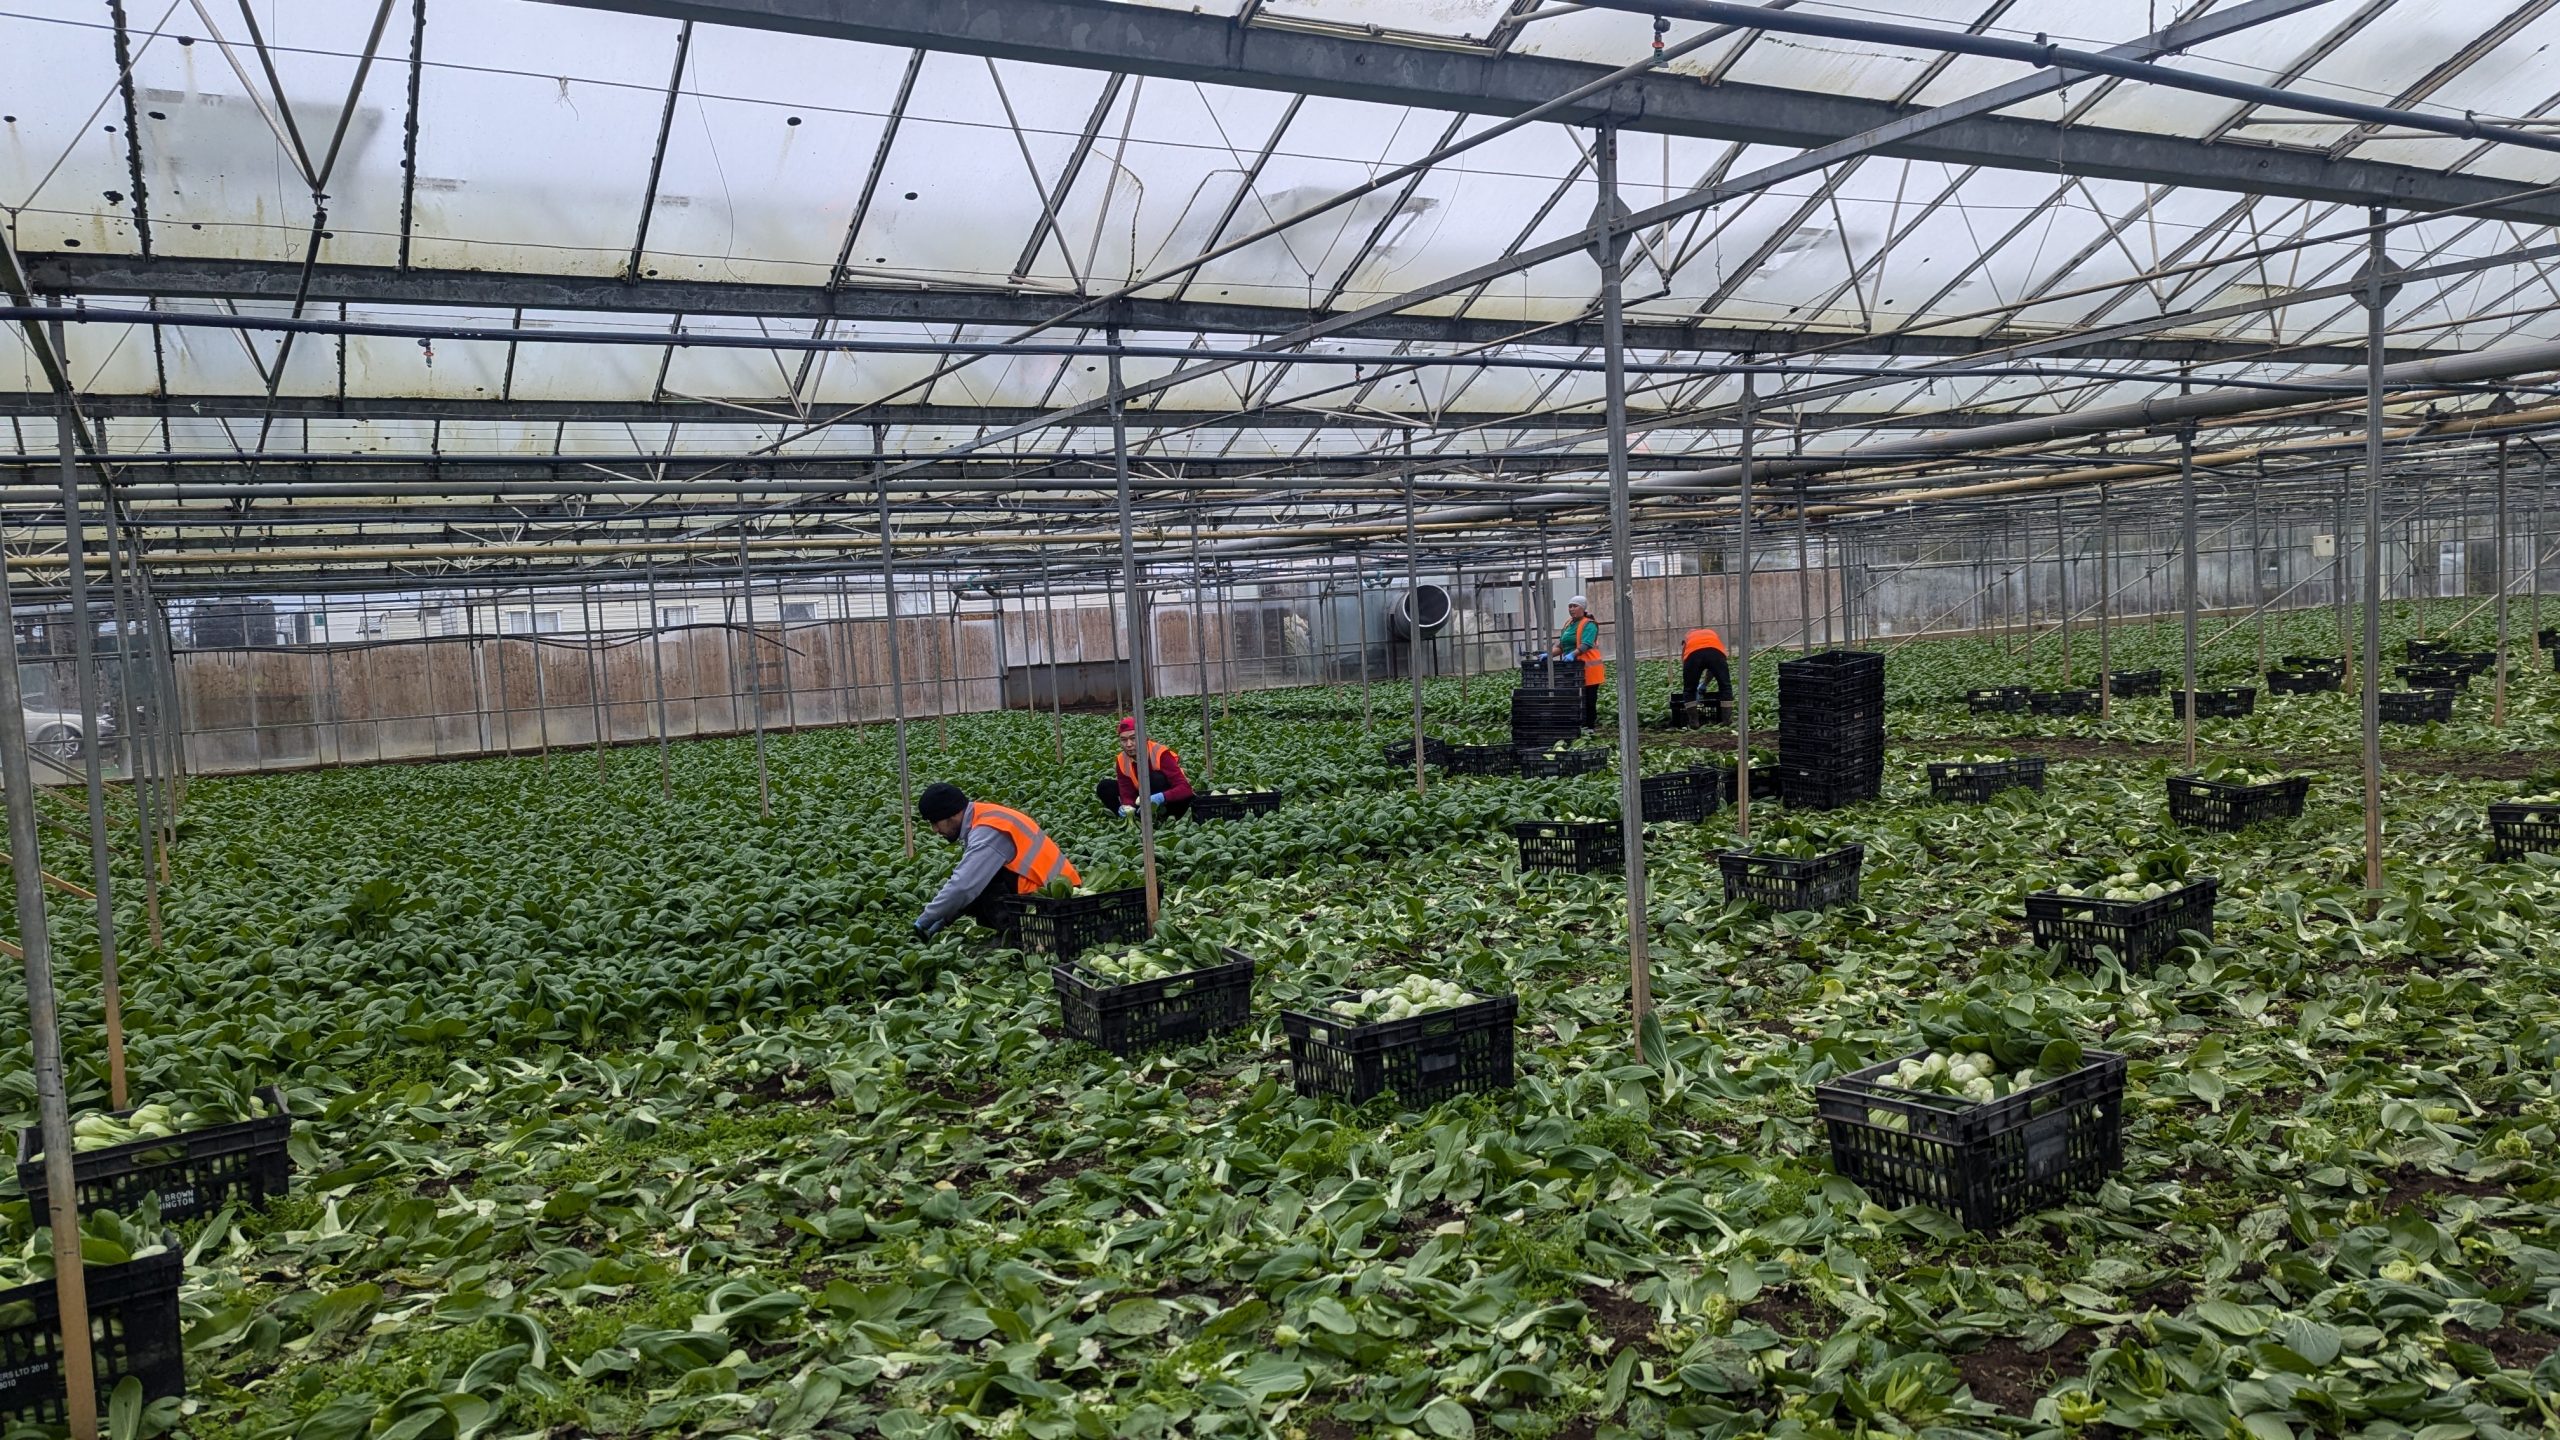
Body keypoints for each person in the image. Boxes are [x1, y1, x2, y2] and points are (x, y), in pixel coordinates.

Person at [912, 782, 1080, 939]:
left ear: (953, 814)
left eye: (935, 822)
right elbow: (968, 885)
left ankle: (1015, 937)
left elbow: (963, 886)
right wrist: (945, 918)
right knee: (979, 877)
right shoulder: (983, 815)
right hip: (1052, 891)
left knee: (985, 884)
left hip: (1053, 900)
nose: (935, 830)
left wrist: (925, 919)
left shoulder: (988, 831)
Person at [1095, 716, 1194, 820]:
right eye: (1123, 740)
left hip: (1168, 796)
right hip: (1142, 795)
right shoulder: (1121, 759)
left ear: (1144, 737)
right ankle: (1130, 817)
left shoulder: (1160, 753)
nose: (1129, 744)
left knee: (1154, 778)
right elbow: (1126, 791)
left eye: (1133, 738)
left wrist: (1161, 797)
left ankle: (1162, 816)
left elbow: (1185, 789)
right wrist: (1127, 805)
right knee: (1105, 787)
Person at [1548, 595, 1605, 730]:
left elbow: (1586, 644)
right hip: (1573, 669)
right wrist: (1549, 655)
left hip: (1589, 669)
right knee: (1574, 699)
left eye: (1575, 606)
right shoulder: (1569, 624)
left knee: (1589, 700)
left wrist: (1572, 655)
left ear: (1583, 608)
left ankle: (1589, 728)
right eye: (1570, 606)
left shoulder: (1589, 624)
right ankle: (1577, 726)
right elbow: (1561, 645)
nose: (1572, 609)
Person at [1677, 627, 1733, 723]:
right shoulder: (1711, 634)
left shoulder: (1688, 636)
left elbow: (1685, 661)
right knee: (1725, 686)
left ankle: (1694, 722)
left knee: (1689, 690)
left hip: (1693, 655)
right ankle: (1726, 720)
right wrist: (1704, 684)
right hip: (1716, 653)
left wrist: (1691, 681)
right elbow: (1713, 668)